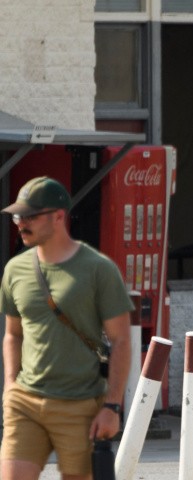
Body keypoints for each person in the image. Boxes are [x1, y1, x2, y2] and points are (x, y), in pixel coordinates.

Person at [0, 177, 133, 480]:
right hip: (26, 402)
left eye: (30, 216)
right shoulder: (15, 270)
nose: (21, 223)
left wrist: (112, 406)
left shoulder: (98, 269)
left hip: (81, 405)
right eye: (18, 216)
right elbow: (13, 334)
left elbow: (122, 340)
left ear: (58, 216)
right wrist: (10, 385)